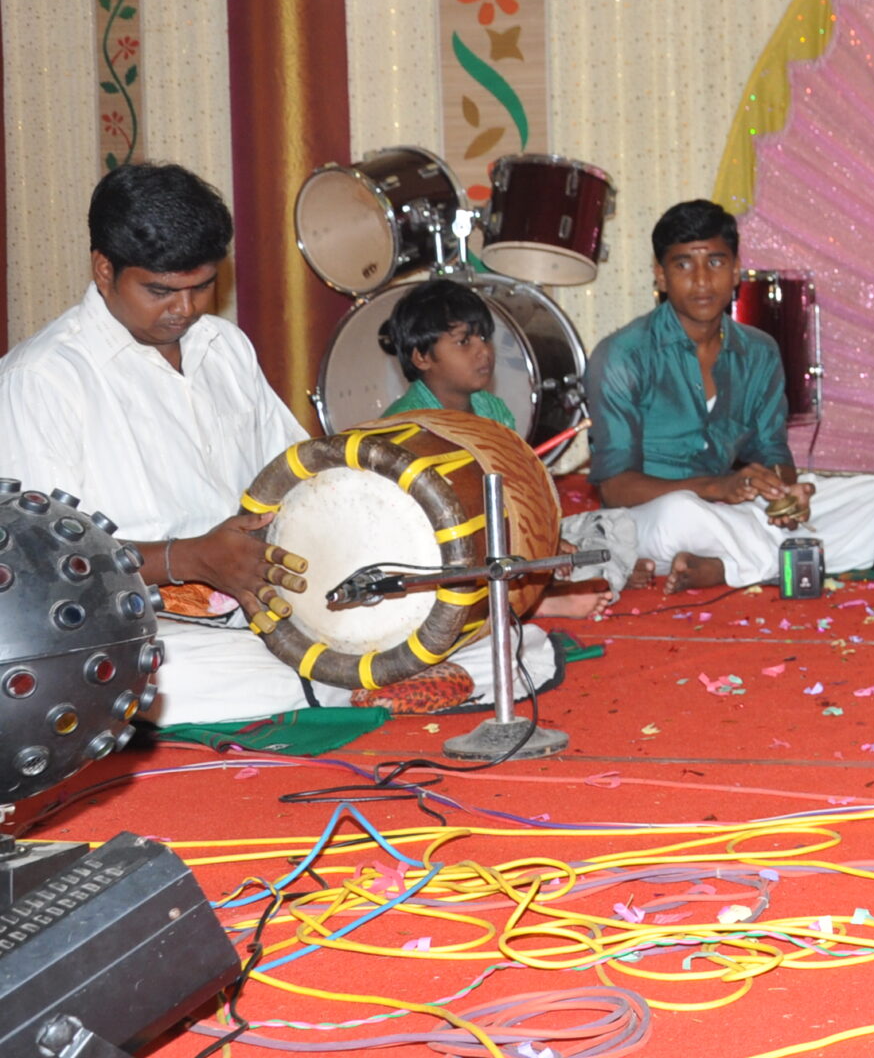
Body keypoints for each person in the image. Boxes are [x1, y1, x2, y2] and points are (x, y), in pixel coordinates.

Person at [0, 163, 555, 722]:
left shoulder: (224, 346)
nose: (185, 309)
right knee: (169, 677)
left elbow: (298, 474)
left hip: (269, 596)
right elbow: (38, 564)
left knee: (506, 636)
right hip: (150, 618)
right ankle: (353, 683)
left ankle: (350, 681)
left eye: (201, 286)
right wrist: (188, 558)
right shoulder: (41, 379)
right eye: (161, 291)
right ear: (104, 269)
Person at [587, 200, 874, 590]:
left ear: (736, 269)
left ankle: (728, 564)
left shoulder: (760, 351)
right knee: (682, 515)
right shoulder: (622, 356)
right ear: (660, 275)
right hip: (653, 514)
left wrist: (784, 492)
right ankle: (769, 558)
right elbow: (614, 489)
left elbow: (772, 452)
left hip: (731, 508)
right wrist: (715, 488)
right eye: (684, 264)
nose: (702, 280)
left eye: (716, 262)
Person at [381, 277, 514, 426]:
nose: (484, 351)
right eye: (463, 341)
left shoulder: (494, 410)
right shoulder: (403, 427)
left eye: (485, 337)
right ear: (422, 358)